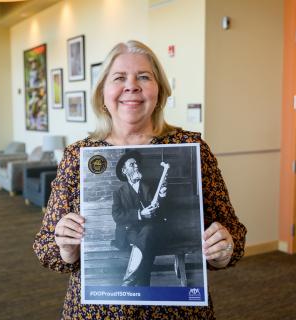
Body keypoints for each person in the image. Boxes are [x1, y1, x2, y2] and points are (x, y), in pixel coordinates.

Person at [33, 40, 247, 319]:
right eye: (119, 78)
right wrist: (66, 248)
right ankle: (134, 280)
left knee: (151, 231)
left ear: (158, 92)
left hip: (177, 311)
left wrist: (224, 249)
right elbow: (46, 248)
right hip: (97, 310)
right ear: (103, 94)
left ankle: (131, 280)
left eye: (143, 77)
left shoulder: (192, 147)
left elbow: (234, 236)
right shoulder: (78, 156)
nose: (131, 85)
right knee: (145, 232)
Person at [111, 150, 170, 287]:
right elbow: (117, 216)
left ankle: (129, 279)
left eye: (136, 164)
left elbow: (158, 208)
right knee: (146, 245)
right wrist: (139, 214)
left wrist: (161, 197)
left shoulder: (148, 187)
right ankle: (143, 286)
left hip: (150, 228)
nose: (136, 166)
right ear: (124, 170)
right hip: (129, 231)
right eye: (132, 165)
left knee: (148, 231)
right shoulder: (118, 193)